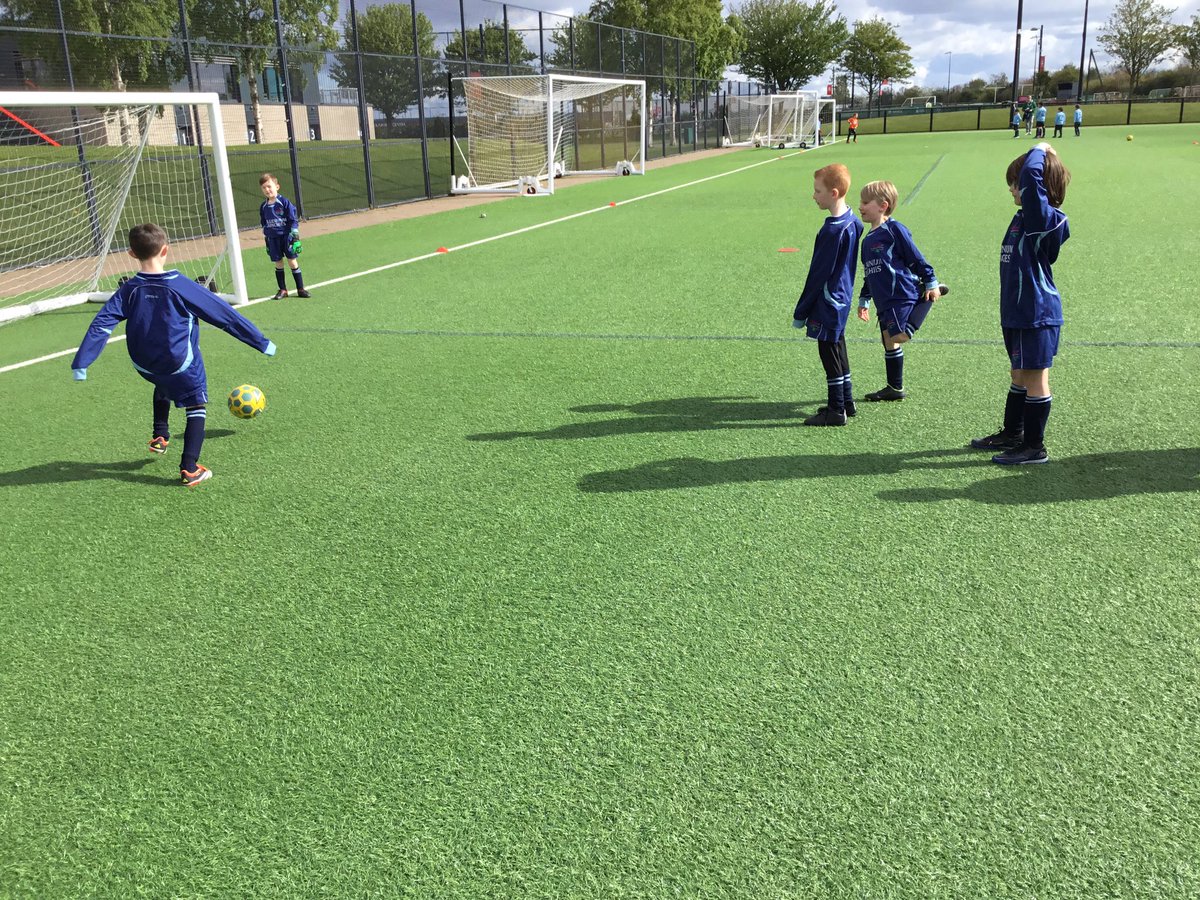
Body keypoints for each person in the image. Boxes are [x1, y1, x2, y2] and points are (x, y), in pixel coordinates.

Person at [70, 223, 277, 486]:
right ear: (166, 250)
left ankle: (160, 435)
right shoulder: (182, 285)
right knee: (195, 404)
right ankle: (190, 469)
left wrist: (82, 363)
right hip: (180, 362)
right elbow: (224, 316)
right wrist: (261, 342)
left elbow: (101, 324)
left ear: (132, 254)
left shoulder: (128, 289)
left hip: (144, 364)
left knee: (162, 381)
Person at [970, 144, 1071, 464]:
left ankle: (1034, 446)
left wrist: (1038, 150)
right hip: (1017, 313)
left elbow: (1031, 175)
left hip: (1036, 314)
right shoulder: (1023, 218)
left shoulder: (1044, 219)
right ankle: (1013, 433)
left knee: (1035, 378)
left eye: (1017, 184)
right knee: (1018, 374)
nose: (1013, 189)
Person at [854, 180, 944, 402]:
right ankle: (895, 388)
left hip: (900, 294)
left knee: (900, 335)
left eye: (865, 202)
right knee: (888, 340)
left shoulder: (894, 230)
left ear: (883, 206)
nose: (860, 206)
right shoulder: (867, 241)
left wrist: (930, 280)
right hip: (883, 300)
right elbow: (869, 273)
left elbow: (915, 257)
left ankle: (927, 298)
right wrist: (864, 299)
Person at [792, 164, 864, 426]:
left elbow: (817, 275)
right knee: (838, 345)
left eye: (817, 191)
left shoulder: (832, 231)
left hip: (828, 301)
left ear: (834, 193)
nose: (814, 196)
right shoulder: (853, 221)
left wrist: (801, 311)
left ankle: (836, 410)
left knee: (828, 351)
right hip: (842, 298)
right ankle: (846, 400)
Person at [259, 172, 310, 299]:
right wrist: (267, 240)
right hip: (273, 239)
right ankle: (283, 290)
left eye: (269, 186)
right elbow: (264, 224)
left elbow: (293, 220)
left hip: (286, 237)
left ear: (277, 186)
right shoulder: (263, 206)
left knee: (292, 262)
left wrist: (295, 238)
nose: (267, 190)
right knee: (278, 263)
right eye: (264, 187)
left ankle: (301, 288)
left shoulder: (284, 202)